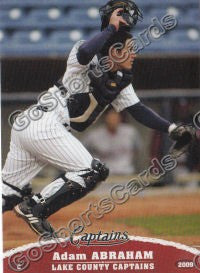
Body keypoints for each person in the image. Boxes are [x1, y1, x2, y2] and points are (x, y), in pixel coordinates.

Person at [2, 0, 187, 237]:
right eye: (129, 50)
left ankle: (27, 203)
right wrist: (111, 28)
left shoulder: (120, 79)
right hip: (44, 123)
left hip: (32, 126)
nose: (134, 55)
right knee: (92, 171)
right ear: (114, 51)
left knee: (9, 191)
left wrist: (171, 128)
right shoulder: (86, 53)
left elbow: (139, 110)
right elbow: (86, 52)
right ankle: (34, 208)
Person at [82, 109, 142, 175]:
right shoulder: (93, 135)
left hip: (126, 173)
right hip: (103, 175)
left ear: (120, 118)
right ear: (105, 118)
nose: (113, 120)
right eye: (110, 117)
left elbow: (138, 151)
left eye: (116, 116)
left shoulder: (131, 132)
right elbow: (82, 152)